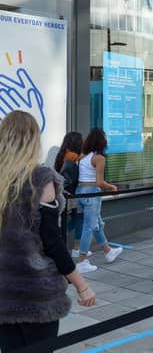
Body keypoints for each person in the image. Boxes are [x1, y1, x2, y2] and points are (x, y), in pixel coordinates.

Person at [0, 111, 97, 352]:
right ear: (33, 140)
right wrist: (81, 285)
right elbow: (52, 242)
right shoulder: (39, 178)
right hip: (36, 292)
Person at [75, 128, 122, 273]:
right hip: (92, 194)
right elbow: (99, 182)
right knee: (89, 227)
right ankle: (82, 261)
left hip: (80, 192)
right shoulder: (99, 158)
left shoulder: (82, 156)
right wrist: (112, 187)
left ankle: (108, 251)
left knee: (97, 223)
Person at [54, 131, 85, 256]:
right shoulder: (72, 156)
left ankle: (60, 237)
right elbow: (69, 177)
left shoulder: (62, 154)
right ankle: (76, 247)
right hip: (71, 193)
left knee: (75, 219)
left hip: (65, 192)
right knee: (79, 218)